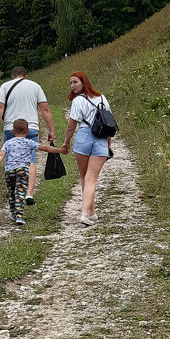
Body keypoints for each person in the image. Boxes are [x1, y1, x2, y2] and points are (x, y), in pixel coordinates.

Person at [0, 66, 56, 205]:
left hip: (11, 128)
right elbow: (45, 108)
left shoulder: (5, 86)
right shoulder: (35, 86)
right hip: (31, 128)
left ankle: (15, 190)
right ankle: (29, 194)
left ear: (12, 77)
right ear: (26, 76)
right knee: (30, 160)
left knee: (11, 160)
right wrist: (51, 130)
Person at [0, 118, 66, 225]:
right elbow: (45, 148)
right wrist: (60, 151)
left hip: (9, 171)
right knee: (20, 192)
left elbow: (1, 155)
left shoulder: (8, 143)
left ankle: (12, 212)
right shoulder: (29, 142)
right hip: (22, 170)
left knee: (11, 192)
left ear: (13, 131)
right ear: (28, 131)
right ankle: (19, 216)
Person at [61, 71, 113, 226]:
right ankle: (91, 212)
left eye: (75, 82)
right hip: (101, 139)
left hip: (83, 136)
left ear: (84, 82)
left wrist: (66, 141)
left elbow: (71, 126)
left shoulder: (78, 101)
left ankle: (84, 213)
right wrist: (108, 144)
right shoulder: (102, 98)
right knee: (91, 178)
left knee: (86, 177)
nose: (73, 85)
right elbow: (108, 123)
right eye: (71, 83)